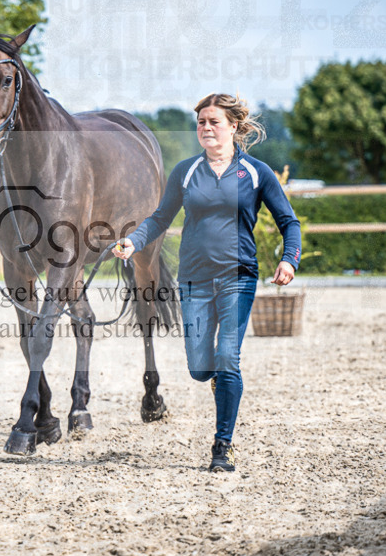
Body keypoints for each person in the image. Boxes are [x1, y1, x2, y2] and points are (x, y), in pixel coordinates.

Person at [113, 93, 301, 473]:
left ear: (233, 126)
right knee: (201, 368)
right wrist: (134, 240)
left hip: (238, 277)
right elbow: (160, 217)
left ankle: (223, 445)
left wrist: (288, 259)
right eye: (201, 122)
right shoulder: (186, 171)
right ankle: (220, 383)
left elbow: (289, 222)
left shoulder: (256, 172)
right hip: (195, 279)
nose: (206, 128)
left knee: (228, 359)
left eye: (214, 121)